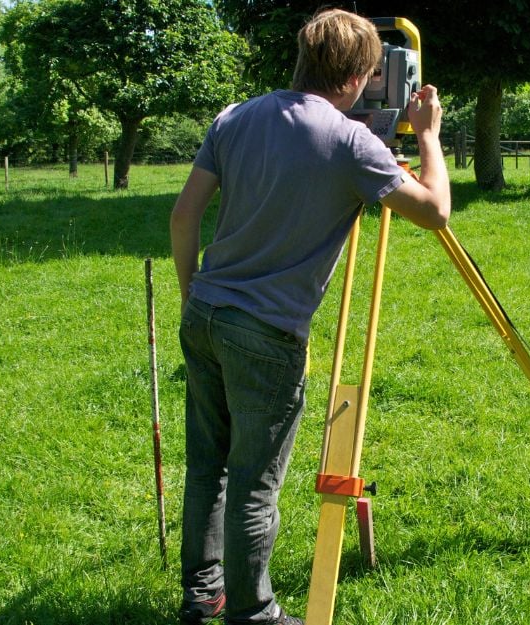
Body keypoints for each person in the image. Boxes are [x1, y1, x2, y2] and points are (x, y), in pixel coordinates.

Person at [169, 9, 451, 625]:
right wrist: (426, 135)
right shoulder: (352, 144)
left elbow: (183, 216)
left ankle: (203, 595)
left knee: (208, 466)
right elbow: (433, 211)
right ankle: (254, 613)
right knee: (254, 481)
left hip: (206, 311)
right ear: (354, 77)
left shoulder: (234, 117)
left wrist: (194, 295)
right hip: (265, 333)